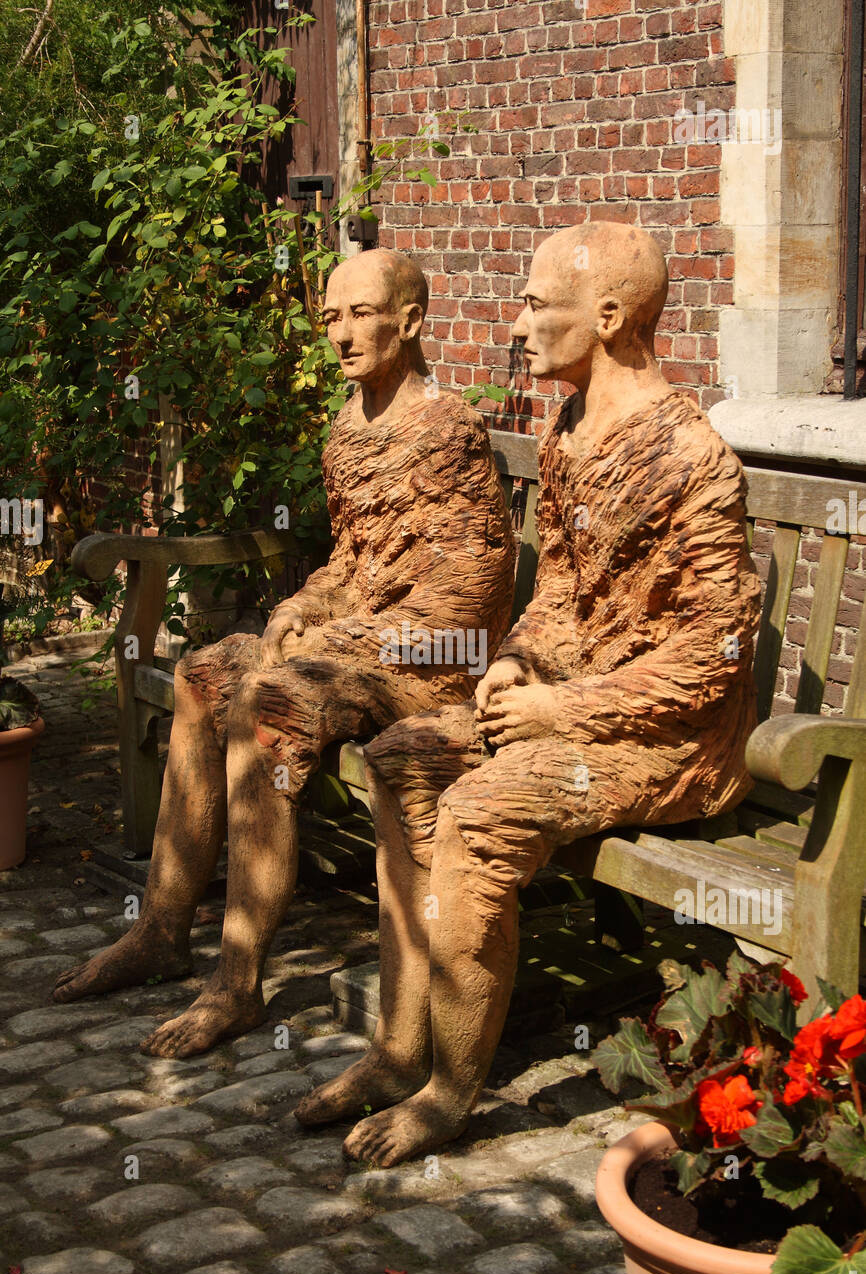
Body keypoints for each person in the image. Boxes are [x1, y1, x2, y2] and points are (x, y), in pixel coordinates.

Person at [295, 221, 761, 1166]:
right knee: (398, 762)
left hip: (673, 741)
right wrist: (516, 660)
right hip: (576, 711)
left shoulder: (689, 457)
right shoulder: (572, 432)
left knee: (477, 810)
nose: (517, 324)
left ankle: (447, 1092)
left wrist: (560, 710)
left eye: (537, 306)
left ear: (609, 315)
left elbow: (716, 650)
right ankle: (396, 1046)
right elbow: (558, 595)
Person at [53, 249, 515, 1058]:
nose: (340, 335)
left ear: (409, 322)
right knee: (203, 677)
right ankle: (163, 927)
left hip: (434, 666)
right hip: (358, 649)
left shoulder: (446, 431)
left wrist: (341, 638)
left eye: (360, 314)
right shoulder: (347, 429)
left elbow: (470, 594)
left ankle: (237, 984)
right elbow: (354, 562)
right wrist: (304, 606)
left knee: (267, 705)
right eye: (330, 318)